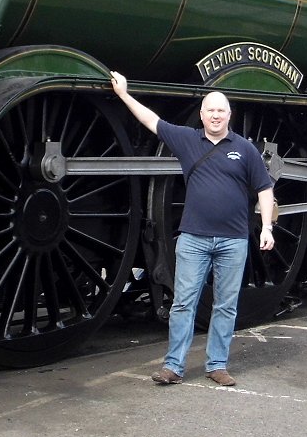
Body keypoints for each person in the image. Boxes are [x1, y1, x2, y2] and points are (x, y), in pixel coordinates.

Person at [109, 71, 276, 385]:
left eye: (221, 111)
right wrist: (124, 95)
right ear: (202, 115)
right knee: (184, 302)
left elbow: (265, 190)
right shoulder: (187, 139)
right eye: (210, 110)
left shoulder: (246, 149)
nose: (215, 115)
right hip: (194, 239)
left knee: (225, 305)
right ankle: (173, 366)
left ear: (229, 115)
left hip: (234, 240)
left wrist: (266, 227)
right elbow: (151, 121)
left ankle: (217, 365)